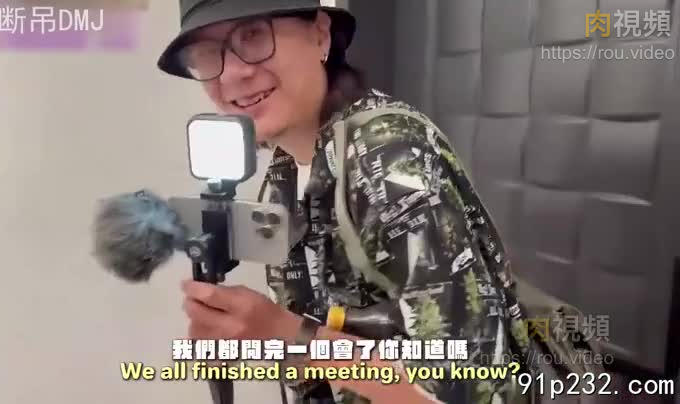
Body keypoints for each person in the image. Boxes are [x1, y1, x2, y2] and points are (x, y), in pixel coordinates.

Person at [157, 1, 535, 403]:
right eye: (207, 53)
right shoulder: (285, 173)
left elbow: (465, 390)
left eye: (253, 36)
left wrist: (289, 335)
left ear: (320, 34)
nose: (232, 73)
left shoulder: (386, 157)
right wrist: (248, 334)